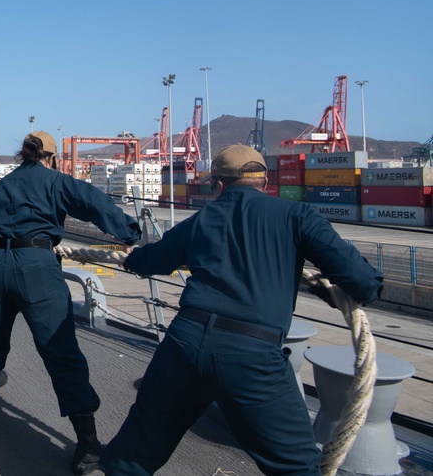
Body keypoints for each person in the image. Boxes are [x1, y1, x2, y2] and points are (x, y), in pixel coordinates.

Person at [100, 144, 384, 476]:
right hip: (252, 354)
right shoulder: (298, 217)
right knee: (298, 466)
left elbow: (150, 262)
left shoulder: (200, 221)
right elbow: (364, 285)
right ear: (266, 183)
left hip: (184, 343)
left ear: (218, 185)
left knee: (134, 454)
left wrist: (131, 255)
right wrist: (334, 288)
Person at [0, 132, 141, 475]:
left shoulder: (4, 185)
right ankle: (87, 446)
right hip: (36, 264)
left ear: (22, 155)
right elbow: (94, 203)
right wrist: (131, 233)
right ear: (51, 157)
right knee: (60, 351)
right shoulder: (55, 180)